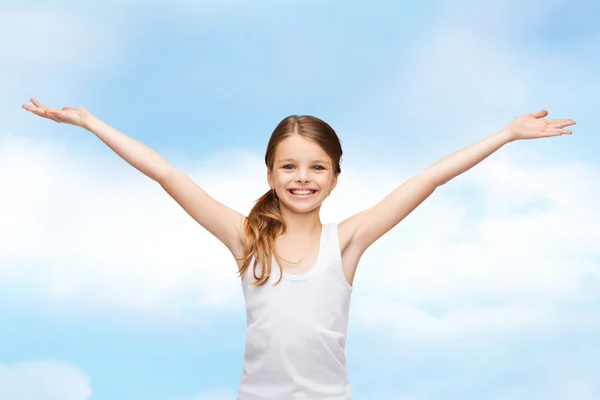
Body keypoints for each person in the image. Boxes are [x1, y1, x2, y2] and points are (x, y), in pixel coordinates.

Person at [22, 98, 576, 400]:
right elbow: (167, 174)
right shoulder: (247, 239)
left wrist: (504, 135)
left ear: (335, 178)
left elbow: (429, 178)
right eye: (289, 166)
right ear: (269, 173)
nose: (302, 178)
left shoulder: (348, 241)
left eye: (317, 168)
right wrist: (91, 122)